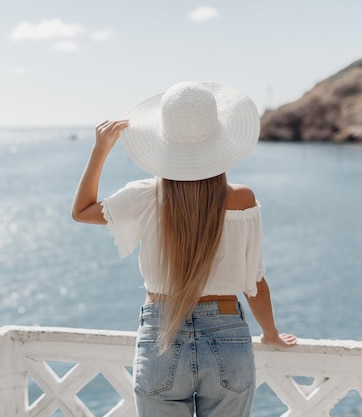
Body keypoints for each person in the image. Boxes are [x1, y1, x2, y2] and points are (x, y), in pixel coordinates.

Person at [71, 82, 296, 417]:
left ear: (164, 142)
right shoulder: (242, 200)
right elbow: (255, 282)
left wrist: (100, 150)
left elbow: (82, 210)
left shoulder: (145, 197)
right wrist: (271, 333)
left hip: (161, 335)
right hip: (227, 338)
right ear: (221, 144)